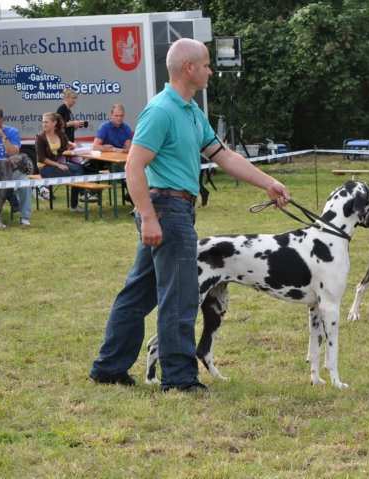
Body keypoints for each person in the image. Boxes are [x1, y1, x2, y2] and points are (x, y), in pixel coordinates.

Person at [89, 38, 291, 392]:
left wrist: (267, 183)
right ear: (189, 68)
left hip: (175, 209)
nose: (211, 71)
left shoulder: (191, 112)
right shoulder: (162, 110)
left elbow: (223, 155)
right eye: (207, 65)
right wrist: (148, 217)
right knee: (180, 296)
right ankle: (180, 379)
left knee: (138, 295)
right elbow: (134, 166)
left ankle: (109, 368)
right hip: (166, 211)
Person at [36, 112, 86, 212]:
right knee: (75, 174)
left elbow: (67, 143)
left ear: (54, 123)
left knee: (79, 168)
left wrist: (79, 147)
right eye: (43, 122)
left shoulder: (60, 134)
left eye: (46, 122)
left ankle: (80, 198)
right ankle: (78, 201)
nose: (44, 124)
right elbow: (41, 158)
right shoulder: (40, 137)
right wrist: (58, 164)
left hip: (56, 165)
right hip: (45, 168)